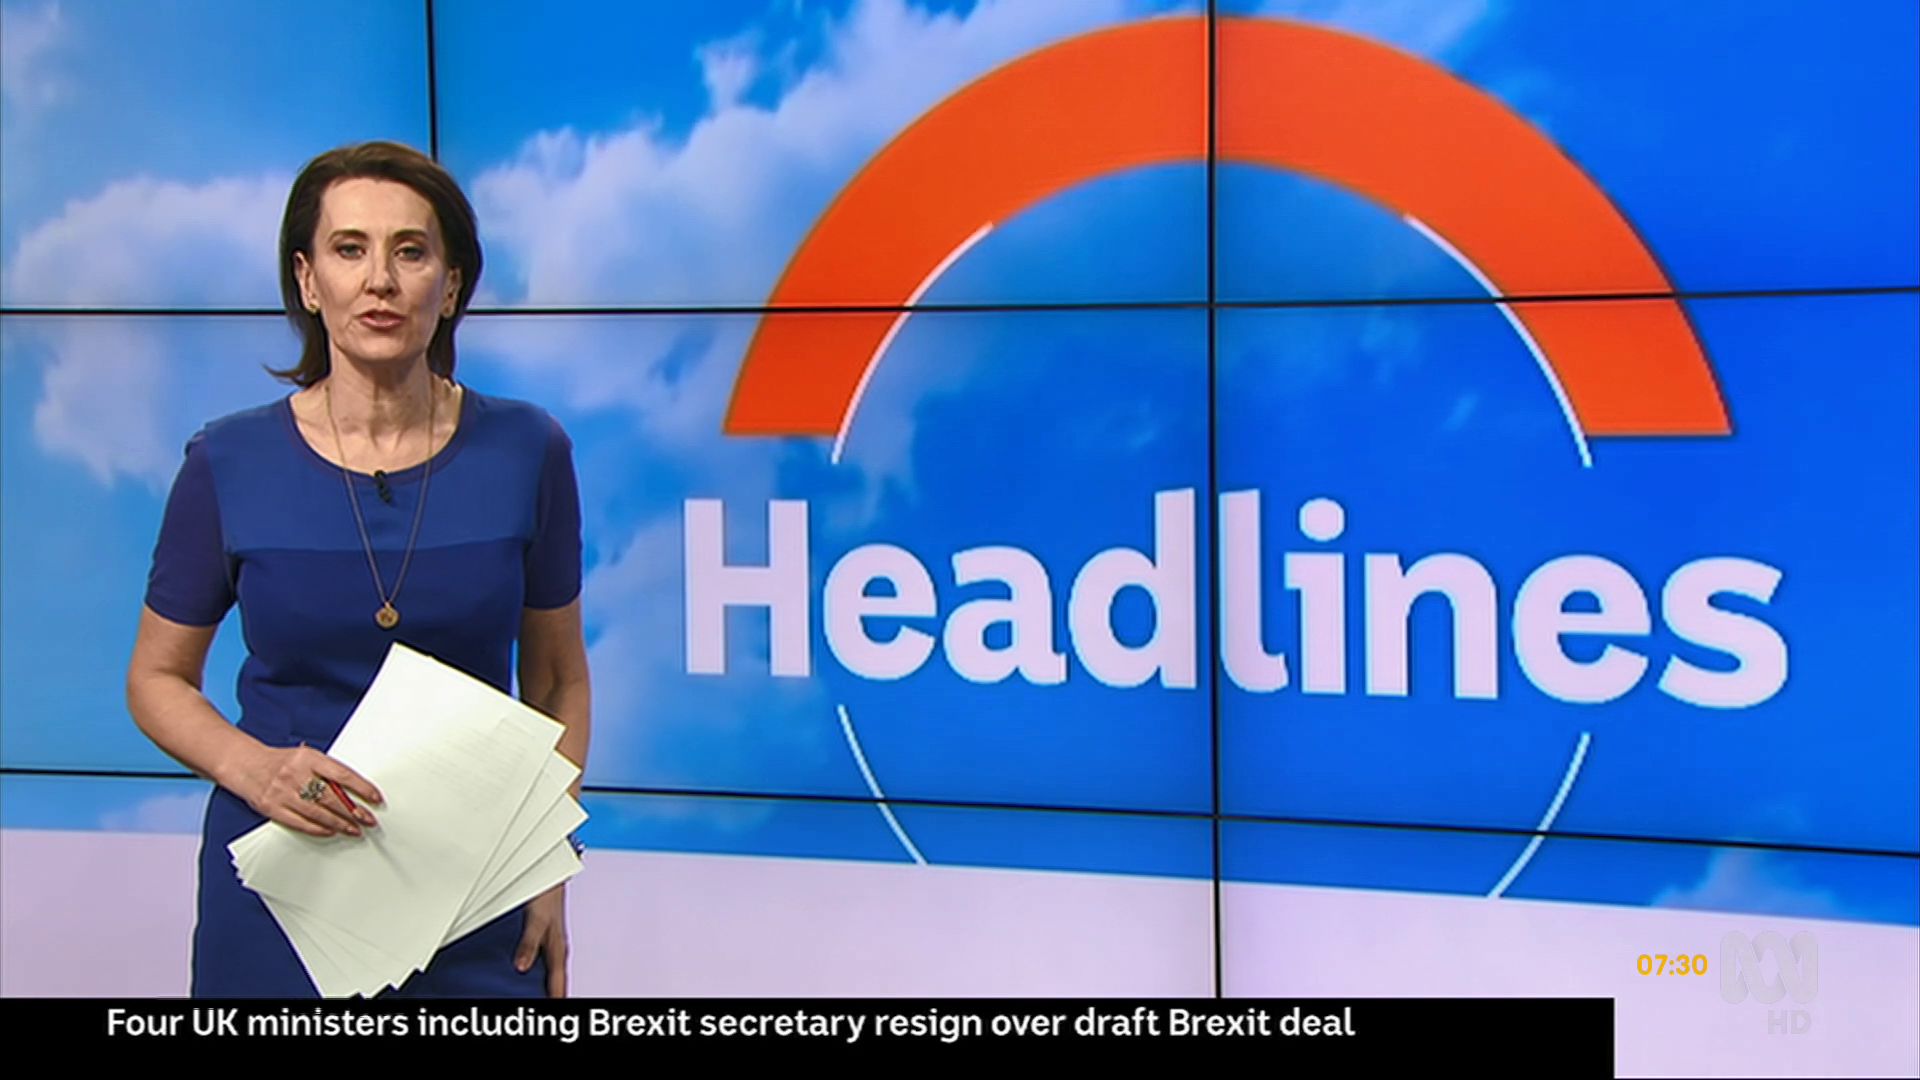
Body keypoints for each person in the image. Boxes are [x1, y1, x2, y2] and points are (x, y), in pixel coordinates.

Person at [125, 141, 590, 998]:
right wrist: (256, 768)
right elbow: (156, 679)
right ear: (308, 281)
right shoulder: (227, 461)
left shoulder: (529, 451)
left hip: (472, 889)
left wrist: (546, 856)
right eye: (349, 250)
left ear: (450, 286)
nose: (380, 280)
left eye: (410, 252)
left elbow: (559, 679)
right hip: (281, 883)